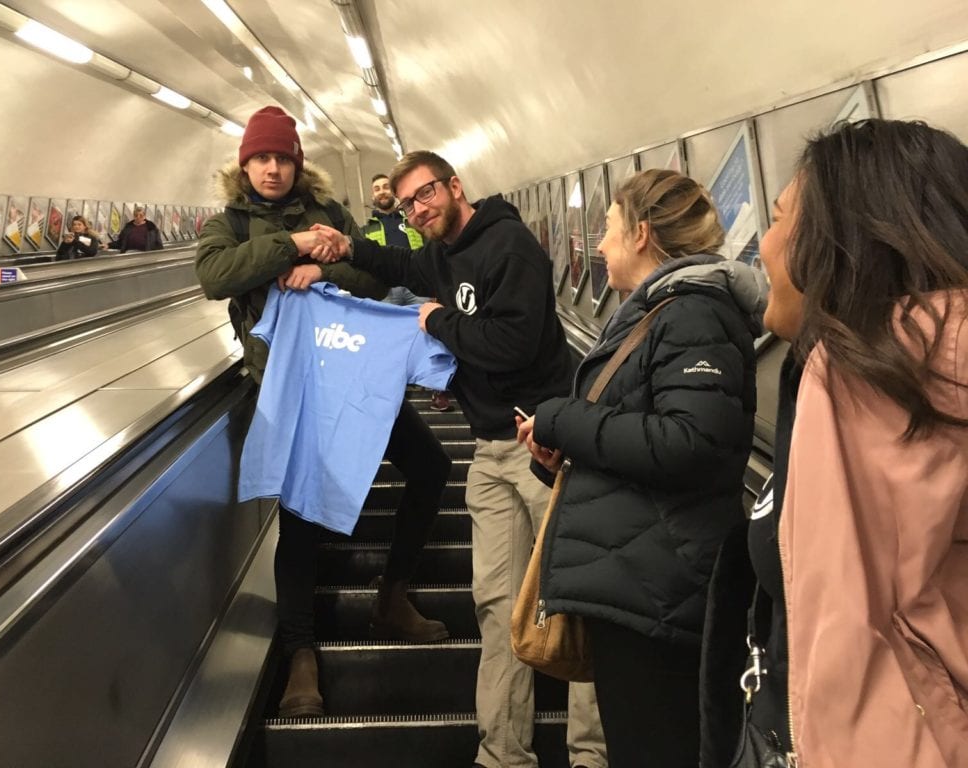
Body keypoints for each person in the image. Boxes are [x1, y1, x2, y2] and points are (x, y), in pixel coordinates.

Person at [307, 150, 606, 768]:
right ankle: (503, 754)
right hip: (491, 453)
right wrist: (343, 249)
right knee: (496, 605)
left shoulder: (511, 247)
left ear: (454, 186)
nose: (419, 209)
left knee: (574, 603)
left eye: (427, 194)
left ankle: (591, 756)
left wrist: (439, 322)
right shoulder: (439, 250)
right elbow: (398, 261)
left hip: (546, 447)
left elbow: (514, 345)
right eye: (410, 201)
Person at [195, 107, 453, 718]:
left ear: (297, 162)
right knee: (301, 515)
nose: (273, 168)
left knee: (432, 466)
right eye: (262, 158)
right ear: (245, 163)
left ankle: (392, 595)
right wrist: (290, 245)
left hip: (354, 375)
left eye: (283, 157)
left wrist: (322, 264)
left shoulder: (332, 214)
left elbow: (372, 274)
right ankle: (300, 654)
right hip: (289, 388)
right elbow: (214, 276)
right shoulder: (227, 223)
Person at [731, 119, 968, 768]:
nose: (765, 243)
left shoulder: (864, 379)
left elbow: (852, 654)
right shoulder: (872, 378)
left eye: (779, 217)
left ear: (838, 240)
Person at [516, 169, 766, 768]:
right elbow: (645, 449)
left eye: (607, 230)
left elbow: (691, 441)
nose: (598, 246)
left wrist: (560, 418)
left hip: (661, 590)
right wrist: (562, 462)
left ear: (642, 234)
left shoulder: (692, 315)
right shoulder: (659, 312)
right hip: (641, 577)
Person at [364, 172, 454, 413]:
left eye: (385, 187)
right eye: (377, 188)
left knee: (429, 334)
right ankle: (391, 395)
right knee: (388, 340)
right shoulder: (366, 229)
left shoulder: (412, 218)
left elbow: (430, 247)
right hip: (385, 288)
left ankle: (437, 390)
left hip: (417, 285)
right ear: (373, 195)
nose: (382, 191)